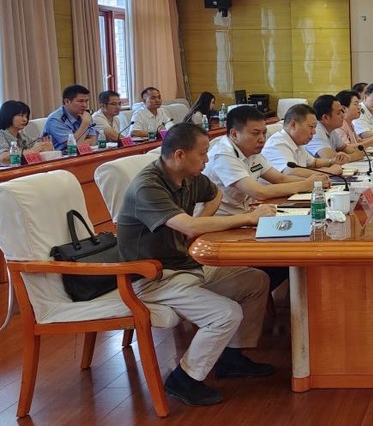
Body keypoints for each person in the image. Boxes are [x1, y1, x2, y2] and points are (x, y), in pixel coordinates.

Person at [116, 123, 276, 407]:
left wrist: (201, 222)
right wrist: (247, 218)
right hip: (153, 278)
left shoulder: (189, 177)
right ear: (180, 155)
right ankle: (184, 378)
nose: (206, 159)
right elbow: (188, 226)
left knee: (255, 280)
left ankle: (231, 358)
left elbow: (214, 194)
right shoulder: (148, 186)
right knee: (225, 313)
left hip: (186, 266)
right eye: (202, 154)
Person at [204, 105, 322, 217]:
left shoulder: (252, 151)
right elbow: (259, 192)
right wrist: (305, 184)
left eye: (264, 133)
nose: (262, 139)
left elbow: (280, 179)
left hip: (245, 213)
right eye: (255, 133)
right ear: (234, 134)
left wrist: (316, 182)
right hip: (221, 221)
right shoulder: (223, 155)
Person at [261, 103, 339, 179]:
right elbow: (291, 172)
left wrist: (332, 161)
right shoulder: (277, 144)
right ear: (293, 124)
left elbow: (313, 162)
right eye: (311, 127)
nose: (314, 132)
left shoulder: (297, 142)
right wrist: (330, 171)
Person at [0, 100, 53, 164]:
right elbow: (4, 157)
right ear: (8, 115)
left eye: (26, 116)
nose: (25, 119)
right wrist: (30, 151)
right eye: (21, 115)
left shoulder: (23, 136)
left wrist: (45, 147)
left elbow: (36, 148)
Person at [304, 95, 355, 171]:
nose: (343, 115)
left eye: (342, 111)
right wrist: (355, 156)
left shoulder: (331, 129)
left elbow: (346, 148)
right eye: (338, 113)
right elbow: (331, 157)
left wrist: (355, 154)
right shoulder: (316, 131)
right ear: (325, 118)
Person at [43, 84, 99, 151]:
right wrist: (85, 123)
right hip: (59, 155)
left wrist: (80, 143)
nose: (85, 105)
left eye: (86, 101)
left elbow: (93, 141)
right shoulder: (55, 119)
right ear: (67, 101)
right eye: (80, 101)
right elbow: (72, 147)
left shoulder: (85, 115)